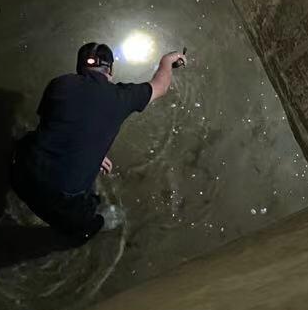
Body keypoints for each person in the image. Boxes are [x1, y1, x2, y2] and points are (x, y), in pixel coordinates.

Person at [10, 41, 187, 243]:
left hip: (20, 172)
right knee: (83, 227)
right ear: (110, 70)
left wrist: (93, 152)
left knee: (29, 139)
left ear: (79, 67)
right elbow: (160, 86)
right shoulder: (122, 97)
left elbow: (53, 125)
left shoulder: (59, 84)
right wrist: (167, 61)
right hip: (60, 198)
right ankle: (90, 226)